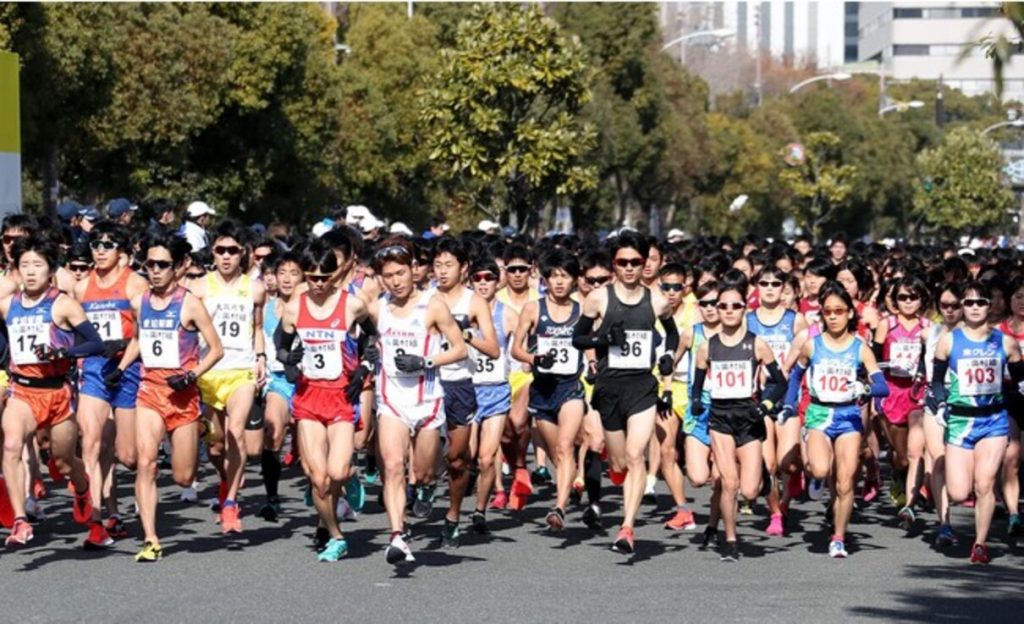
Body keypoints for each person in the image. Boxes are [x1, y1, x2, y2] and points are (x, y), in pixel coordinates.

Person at [573, 231, 678, 554]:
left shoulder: (658, 300)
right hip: (609, 387)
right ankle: (616, 473)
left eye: (636, 262)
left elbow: (672, 336)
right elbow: (579, 339)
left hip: (642, 387)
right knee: (619, 463)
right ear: (614, 265)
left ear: (646, 263)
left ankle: (627, 527)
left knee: (636, 456)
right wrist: (604, 341)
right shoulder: (598, 298)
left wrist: (667, 356)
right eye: (623, 262)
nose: (630, 268)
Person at [368, 238, 467, 565]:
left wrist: (426, 362)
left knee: (423, 473)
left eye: (400, 273)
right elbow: (361, 335)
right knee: (394, 466)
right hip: (392, 400)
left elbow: (459, 348)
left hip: (427, 402)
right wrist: (367, 354)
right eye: (388, 275)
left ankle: (425, 488)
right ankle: (397, 535)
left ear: (413, 271)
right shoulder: (377, 306)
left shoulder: (433, 305)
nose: (395, 281)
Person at [2, 236, 106, 548]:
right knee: (10, 445)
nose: (31, 272)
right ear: (16, 271)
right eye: (25, 266)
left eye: (38, 265)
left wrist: (61, 353)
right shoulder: (8, 305)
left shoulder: (63, 304)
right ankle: (20, 521)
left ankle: (82, 486)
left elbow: (95, 343)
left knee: (62, 461)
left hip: (57, 393)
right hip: (23, 390)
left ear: (50, 271)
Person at [274, 239, 374, 562]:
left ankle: (349, 478)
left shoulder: (351, 305)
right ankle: (335, 534)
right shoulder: (293, 307)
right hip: (308, 399)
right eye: (311, 277)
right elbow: (281, 345)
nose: (318, 284)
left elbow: (372, 338)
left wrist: (364, 368)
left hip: (341, 396)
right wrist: (290, 360)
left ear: (335, 274)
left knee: (337, 470)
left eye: (324, 277)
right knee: (319, 479)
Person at [131, 233, 223, 561]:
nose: (154, 271)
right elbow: (139, 340)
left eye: (162, 265)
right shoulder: (140, 301)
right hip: (150, 391)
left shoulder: (190, 304)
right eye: (149, 264)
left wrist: (191, 376)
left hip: (182, 396)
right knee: (146, 462)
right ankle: (151, 538)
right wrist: (122, 367)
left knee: (183, 477)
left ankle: (200, 429)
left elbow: (216, 350)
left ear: (179, 267)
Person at [784, 281, 888, 559]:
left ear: (850, 314)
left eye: (839, 311)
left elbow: (882, 386)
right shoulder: (812, 345)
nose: (832, 316)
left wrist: (865, 388)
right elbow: (795, 376)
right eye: (827, 311)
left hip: (849, 417)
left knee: (845, 483)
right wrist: (787, 404)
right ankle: (817, 476)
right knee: (819, 469)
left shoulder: (860, 348)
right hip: (819, 413)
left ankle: (838, 536)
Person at [690, 275, 786, 561]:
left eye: (735, 305)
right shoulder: (707, 347)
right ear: (717, 310)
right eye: (723, 306)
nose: (729, 311)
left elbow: (779, 382)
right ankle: (731, 540)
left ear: (745, 308)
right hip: (720, 418)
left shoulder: (757, 344)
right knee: (728, 483)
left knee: (749, 490)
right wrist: (695, 402)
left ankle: (764, 483)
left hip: (749, 417)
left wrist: (766, 404)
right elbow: (696, 386)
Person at [930, 281, 1024, 565]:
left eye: (980, 302)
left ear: (989, 305)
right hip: (960, 421)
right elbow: (936, 382)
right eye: (968, 303)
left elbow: (1020, 379)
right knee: (959, 491)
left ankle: (980, 544)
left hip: (993, 421)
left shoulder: (1005, 342)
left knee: (984, 484)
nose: (974, 308)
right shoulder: (949, 341)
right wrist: (941, 402)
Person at [73, 222, 149, 546]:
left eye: (108, 244)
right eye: (95, 243)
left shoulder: (135, 283)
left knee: (127, 455)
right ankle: (97, 520)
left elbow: (147, 331)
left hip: (128, 367)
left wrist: (123, 356)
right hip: (94, 369)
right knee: (91, 442)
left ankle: (114, 506)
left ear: (122, 251)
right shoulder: (81, 287)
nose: (100, 250)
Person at [187, 219, 266, 533]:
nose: (226, 256)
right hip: (208, 373)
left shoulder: (255, 289)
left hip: (241, 371)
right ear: (213, 253)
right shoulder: (200, 287)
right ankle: (225, 480)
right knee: (216, 445)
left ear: (242, 253)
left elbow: (257, 328)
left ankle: (231, 502)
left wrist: (260, 357)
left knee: (236, 430)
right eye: (220, 250)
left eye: (232, 250)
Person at [428, 237, 499, 547]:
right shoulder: (425, 298)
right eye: (438, 265)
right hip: (428, 383)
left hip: (460, 384)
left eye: (449, 265)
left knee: (458, 460)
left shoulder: (473, 302)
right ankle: (423, 483)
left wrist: (466, 336)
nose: (442, 272)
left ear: (464, 267)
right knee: (423, 456)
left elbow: (494, 349)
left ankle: (453, 515)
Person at [512, 248, 586, 532]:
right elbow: (516, 348)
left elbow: (590, 346)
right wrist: (533, 358)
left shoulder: (582, 311)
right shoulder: (534, 309)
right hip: (542, 390)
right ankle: (573, 480)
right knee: (558, 453)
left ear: (574, 280)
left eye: (564, 276)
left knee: (566, 446)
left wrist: (593, 364)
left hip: (570, 387)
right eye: (553, 276)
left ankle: (559, 507)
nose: (558, 282)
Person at [745, 266, 807, 536]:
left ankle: (791, 487)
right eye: (764, 283)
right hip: (759, 400)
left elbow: (805, 361)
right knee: (768, 464)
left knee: (787, 464)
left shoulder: (796, 320)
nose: (769, 288)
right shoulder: (747, 320)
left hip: (788, 399)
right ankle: (776, 514)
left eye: (775, 283)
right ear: (756, 286)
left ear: (785, 288)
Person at [873, 275, 931, 530]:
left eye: (913, 297)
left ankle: (910, 502)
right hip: (891, 393)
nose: (908, 302)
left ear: (922, 299)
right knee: (901, 456)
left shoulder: (928, 327)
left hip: (917, 394)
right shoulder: (887, 325)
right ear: (895, 301)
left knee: (914, 451)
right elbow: (872, 360)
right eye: (902, 297)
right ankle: (898, 476)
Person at [466, 257, 517, 534]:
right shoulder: (462, 311)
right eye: (478, 278)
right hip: (467, 390)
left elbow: (522, 345)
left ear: (498, 281)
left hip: (496, 390)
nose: (483, 283)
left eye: (489, 277)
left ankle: (479, 511)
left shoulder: (507, 315)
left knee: (487, 457)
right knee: (466, 454)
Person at [255, 251, 304, 522]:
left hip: (307, 382)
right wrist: (260, 358)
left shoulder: (310, 305)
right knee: (272, 432)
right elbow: (257, 332)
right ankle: (272, 499)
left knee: (311, 457)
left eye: (293, 273)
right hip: (278, 380)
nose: (286, 279)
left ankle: (333, 490)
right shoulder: (265, 303)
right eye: (281, 272)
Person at [654, 263, 697, 531]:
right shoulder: (652, 311)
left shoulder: (697, 313)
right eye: (665, 287)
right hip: (664, 387)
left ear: (686, 288)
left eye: (676, 287)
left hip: (693, 389)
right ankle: (682, 509)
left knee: (698, 468)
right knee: (666, 450)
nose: (671, 292)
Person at [925, 281, 964, 547]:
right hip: (933, 398)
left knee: (959, 471)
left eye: (955, 305)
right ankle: (944, 523)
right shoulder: (929, 332)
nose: (949, 310)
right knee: (938, 459)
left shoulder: (978, 335)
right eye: (944, 305)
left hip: (966, 404)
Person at [998, 276, 1024, 538]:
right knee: (1012, 456)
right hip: (1007, 396)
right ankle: (1013, 513)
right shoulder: (998, 331)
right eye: (1018, 296)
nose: (1023, 302)